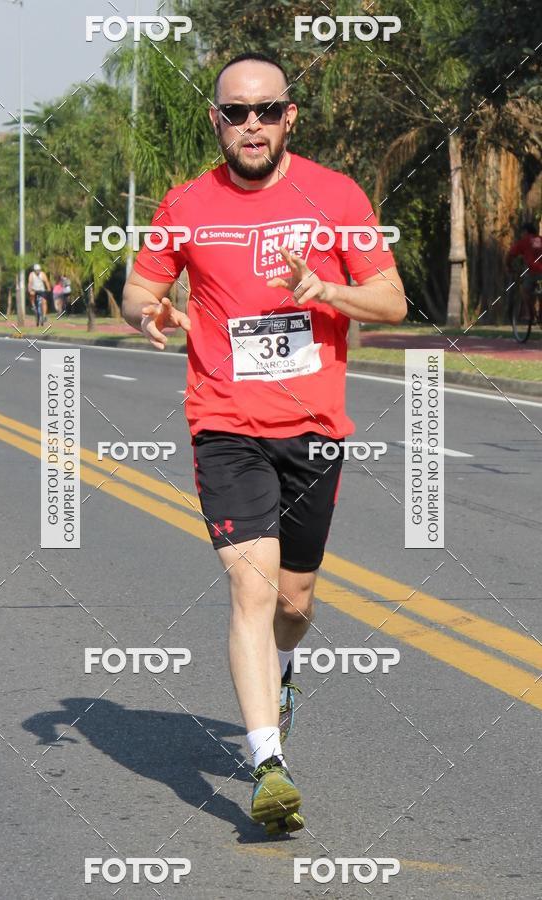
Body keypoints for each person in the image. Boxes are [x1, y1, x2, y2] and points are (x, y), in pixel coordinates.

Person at [122, 52, 406, 834]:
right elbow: (139, 288)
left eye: (267, 110)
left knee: (295, 598)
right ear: (217, 121)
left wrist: (326, 290)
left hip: (314, 428)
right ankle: (267, 764)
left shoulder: (337, 195)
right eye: (237, 112)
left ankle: (282, 670)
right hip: (225, 424)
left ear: (290, 117)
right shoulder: (184, 204)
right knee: (251, 588)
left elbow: (391, 300)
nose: (253, 124)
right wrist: (148, 313)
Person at [507, 221, 542, 321]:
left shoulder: (524, 241)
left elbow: (510, 255)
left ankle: (530, 313)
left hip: (532, 272)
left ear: (526, 231)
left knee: (525, 291)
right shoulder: (540, 239)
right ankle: (540, 315)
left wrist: (509, 266)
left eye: (522, 232)